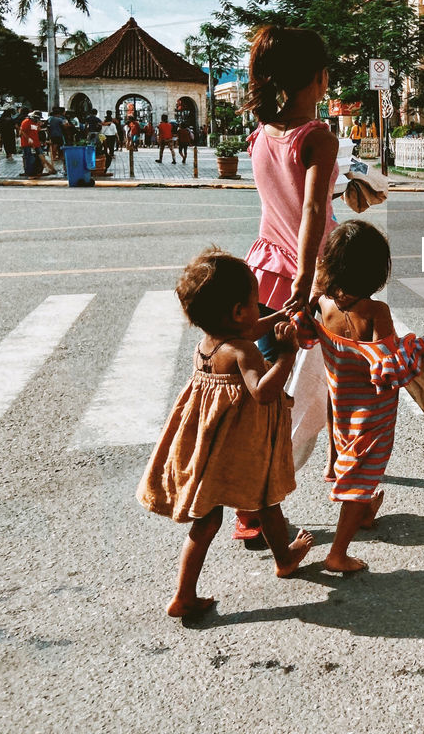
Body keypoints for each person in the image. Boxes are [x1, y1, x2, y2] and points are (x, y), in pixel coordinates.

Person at [137, 249, 314, 617]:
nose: (259, 310)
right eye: (255, 303)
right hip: (241, 447)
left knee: (208, 521)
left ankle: (184, 594)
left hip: (211, 449)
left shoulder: (210, 343)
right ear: (237, 312)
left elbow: (250, 327)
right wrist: (286, 354)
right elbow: (263, 393)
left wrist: (280, 316)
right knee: (266, 500)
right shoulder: (244, 351)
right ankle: (284, 558)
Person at [234, 25, 340, 546]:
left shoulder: (262, 134)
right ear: (316, 78)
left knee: (267, 394)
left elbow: (286, 204)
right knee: (342, 379)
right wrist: (307, 281)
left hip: (263, 274)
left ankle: (250, 508)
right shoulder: (317, 134)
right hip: (316, 279)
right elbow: (314, 211)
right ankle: (345, 485)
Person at [288, 222, 424, 571]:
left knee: (355, 464)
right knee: (361, 474)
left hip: (341, 406)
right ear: (376, 272)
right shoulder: (376, 313)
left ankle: (364, 510)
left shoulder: (323, 304)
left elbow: (309, 338)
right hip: (372, 415)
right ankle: (337, 553)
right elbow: (392, 366)